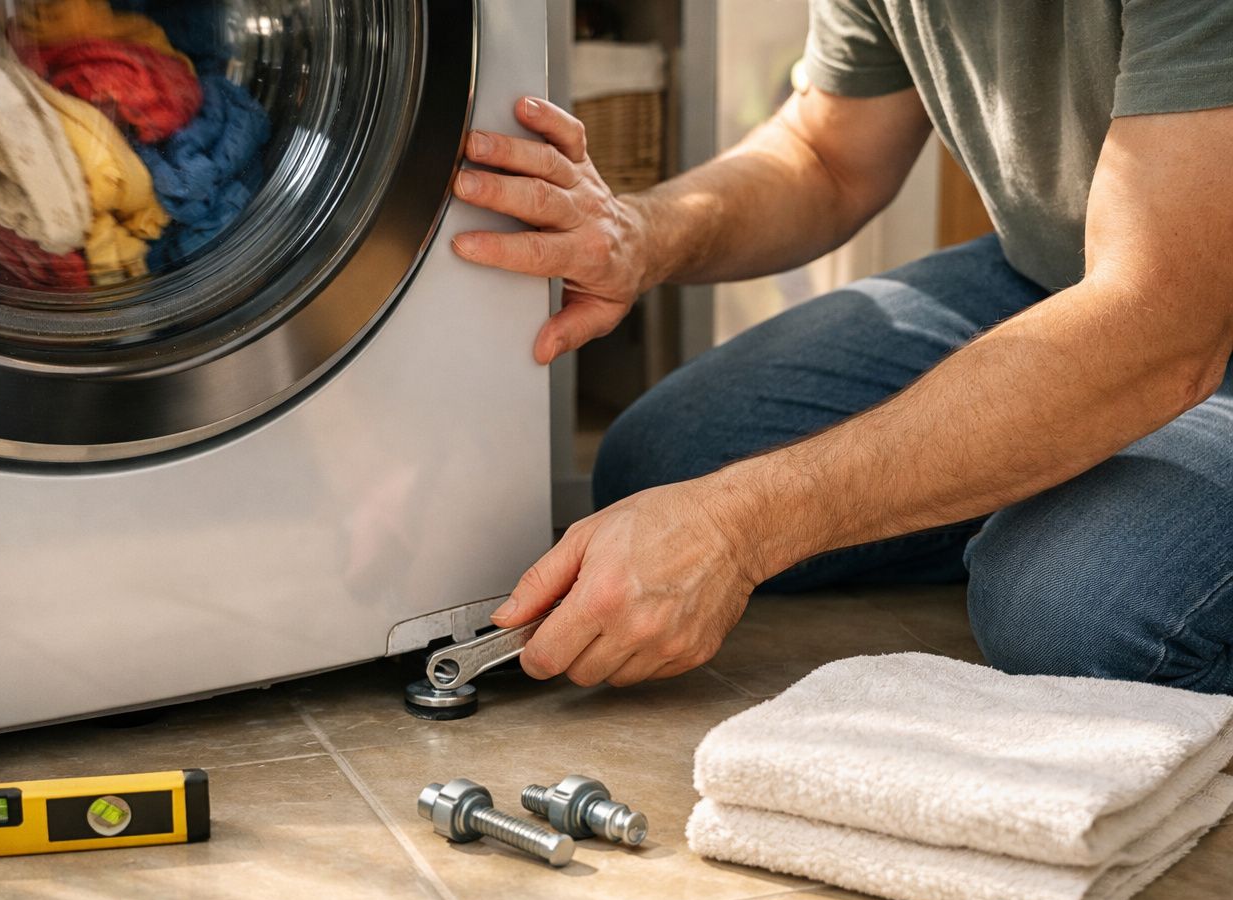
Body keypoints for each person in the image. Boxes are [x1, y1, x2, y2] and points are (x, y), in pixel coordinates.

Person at [451, 1, 1233, 694]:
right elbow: (827, 156)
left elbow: (1159, 318)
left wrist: (738, 527)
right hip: (1064, 268)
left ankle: (1077, 492)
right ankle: (1048, 456)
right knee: (666, 460)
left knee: (1073, 605)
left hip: (1176, 300)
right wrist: (636, 234)